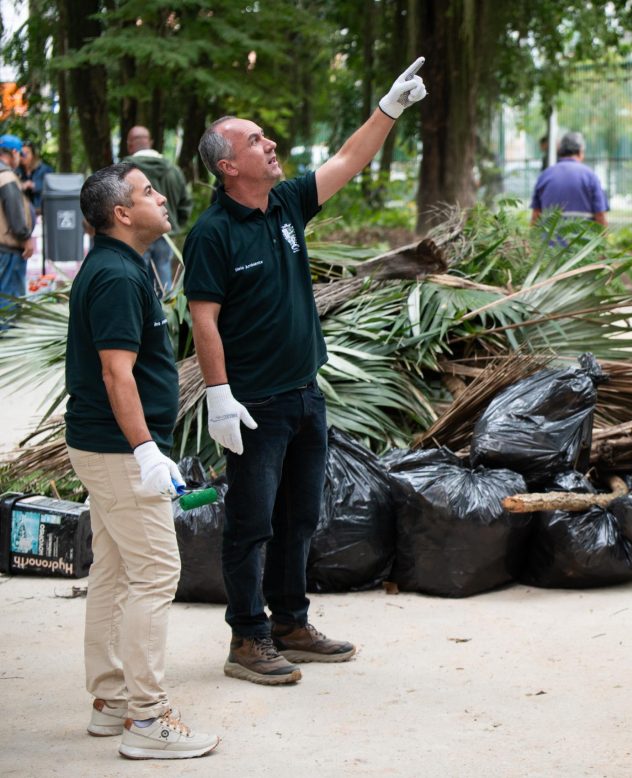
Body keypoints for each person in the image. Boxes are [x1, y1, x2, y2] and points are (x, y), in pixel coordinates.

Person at [183, 57, 427, 686]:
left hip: (304, 394)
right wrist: (218, 396)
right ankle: (247, 636)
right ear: (227, 165)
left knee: (298, 518)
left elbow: (347, 159)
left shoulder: (287, 203)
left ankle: (291, 621)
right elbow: (203, 320)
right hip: (254, 404)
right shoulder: (213, 232)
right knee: (251, 523)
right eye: (256, 141)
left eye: (267, 136)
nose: (271, 146)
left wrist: (388, 109)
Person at [66, 162, 219, 760]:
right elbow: (115, 371)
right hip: (117, 449)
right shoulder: (115, 276)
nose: (161, 196)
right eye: (148, 191)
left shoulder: (128, 265)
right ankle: (148, 720)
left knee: (114, 570)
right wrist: (146, 451)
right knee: (156, 572)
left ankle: (110, 702)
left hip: (105, 446)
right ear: (122, 214)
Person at [125, 126, 193, 293]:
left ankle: (144, 314)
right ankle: (166, 315)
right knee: (164, 275)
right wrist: (175, 225)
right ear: (150, 142)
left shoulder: (123, 170)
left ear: (129, 144)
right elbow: (186, 203)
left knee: (138, 277)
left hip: (136, 233)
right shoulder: (173, 171)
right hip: (165, 234)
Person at [530, 132, 608, 227]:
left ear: (560, 152)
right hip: (583, 241)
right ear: (580, 152)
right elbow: (600, 216)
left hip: (549, 240)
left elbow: (535, 216)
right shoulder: (590, 176)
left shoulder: (545, 175)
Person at [0, 133, 33, 329]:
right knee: (9, 303)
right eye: (19, 155)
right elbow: (14, 211)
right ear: (13, 153)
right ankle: (8, 349)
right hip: (8, 250)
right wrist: (25, 237)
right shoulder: (6, 176)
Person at [19, 141, 54, 214]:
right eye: (22, 153)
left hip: (40, 210)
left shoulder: (45, 169)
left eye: (27, 153)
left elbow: (53, 188)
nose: (24, 156)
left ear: (33, 154)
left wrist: (33, 185)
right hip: (23, 211)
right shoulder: (17, 170)